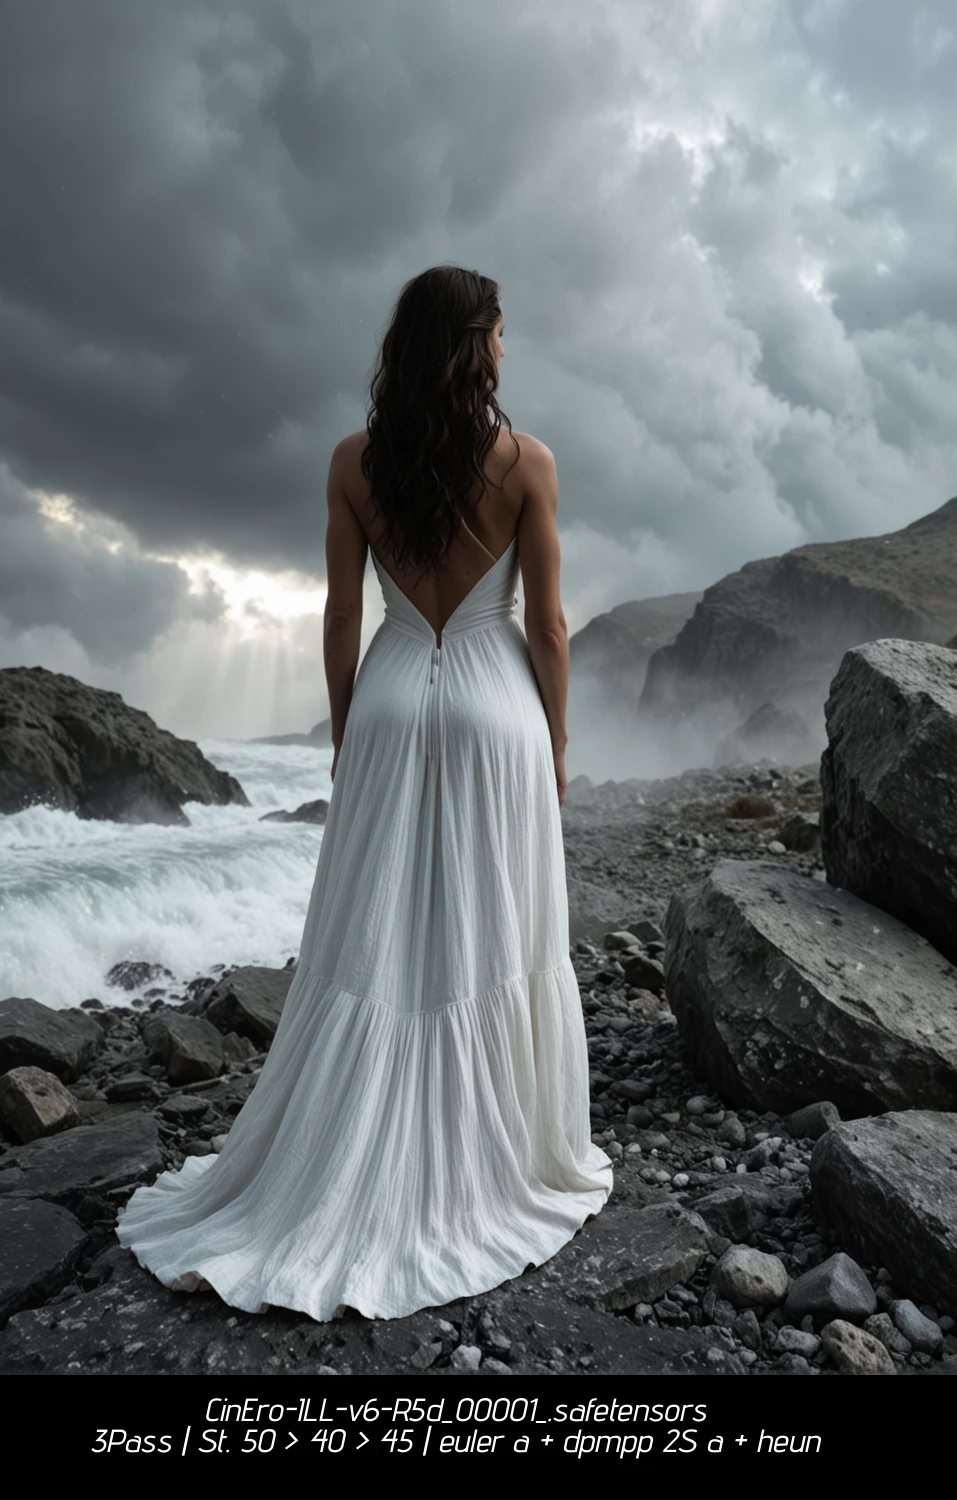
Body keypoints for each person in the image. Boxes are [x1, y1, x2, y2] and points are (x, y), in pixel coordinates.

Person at [115, 265, 613, 1321]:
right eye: (500, 332)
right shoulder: (528, 462)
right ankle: (485, 1149)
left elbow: (341, 617)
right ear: (474, 344)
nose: (507, 348)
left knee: (373, 926)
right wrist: (557, 739)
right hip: (495, 706)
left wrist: (347, 732)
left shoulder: (352, 461)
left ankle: (340, 1148)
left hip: (388, 695)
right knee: (489, 923)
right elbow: (548, 625)